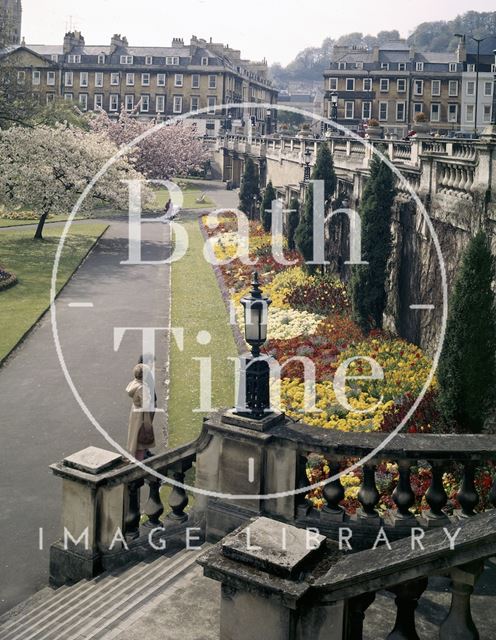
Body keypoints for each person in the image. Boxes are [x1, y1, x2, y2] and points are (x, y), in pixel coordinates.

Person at [126, 364, 156, 461]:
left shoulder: (133, 384)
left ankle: (134, 457)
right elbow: (146, 404)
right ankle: (139, 461)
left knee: (134, 435)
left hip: (135, 412)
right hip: (142, 415)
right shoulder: (142, 388)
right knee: (141, 438)